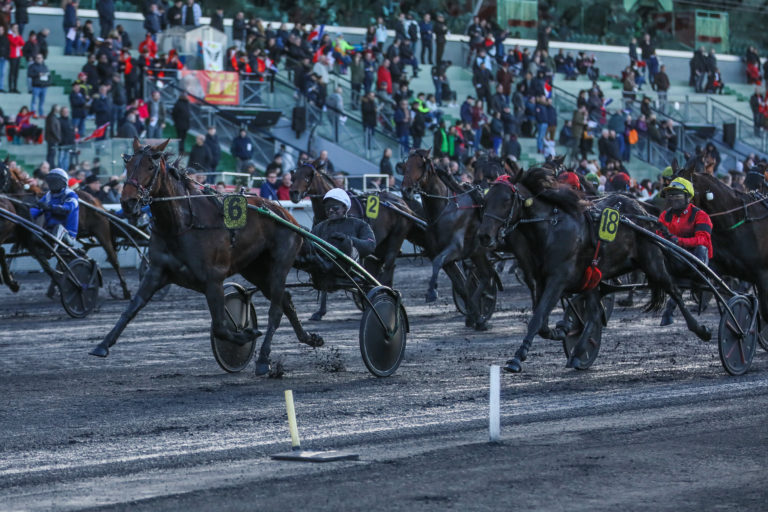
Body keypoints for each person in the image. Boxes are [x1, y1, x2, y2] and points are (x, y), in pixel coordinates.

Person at [657, 177, 713, 326]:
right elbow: (658, 235)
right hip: (673, 259)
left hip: (695, 261)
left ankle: (695, 281)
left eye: (677, 195)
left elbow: (703, 240)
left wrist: (678, 241)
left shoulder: (701, 216)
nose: (672, 198)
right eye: (670, 195)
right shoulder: (665, 215)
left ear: (688, 197)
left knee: (701, 248)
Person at [309, 188, 375, 271]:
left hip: (350, 277)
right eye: (327, 208)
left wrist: (349, 240)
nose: (330, 210)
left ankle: (335, 267)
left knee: (346, 243)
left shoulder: (360, 224)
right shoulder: (319, 227)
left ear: (344, 207)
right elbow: (310, 247)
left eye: (335, 207)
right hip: (323, 274)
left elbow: (370, 245)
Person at [28, 168, 79, 246]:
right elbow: (37, 209)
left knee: (58, 228)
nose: (52, 184)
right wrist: (26, 214)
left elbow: (67, 209)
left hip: (67, 233)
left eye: (55, 181)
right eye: (51, 182)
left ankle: (51, 246)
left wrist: (50, 207)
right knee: (33, 232)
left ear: (63, 182)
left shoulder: (71, 195)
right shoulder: (48, 195)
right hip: (49, 230)